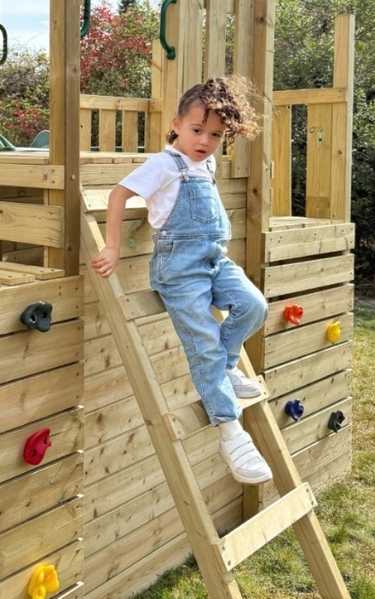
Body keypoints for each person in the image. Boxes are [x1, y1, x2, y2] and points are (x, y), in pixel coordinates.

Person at [90, 76, 272, 484]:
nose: (205, 141)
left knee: (254, 306)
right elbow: (119, 195)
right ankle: (231, 432)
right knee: (204, 345)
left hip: (214, 260)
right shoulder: (163, 164)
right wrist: (112, 247)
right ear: (176, 125)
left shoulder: (206, 163)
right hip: (179, 271)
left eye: (216, 135)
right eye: (196, 130)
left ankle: (226, 367)